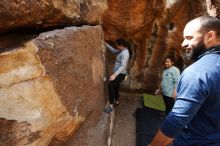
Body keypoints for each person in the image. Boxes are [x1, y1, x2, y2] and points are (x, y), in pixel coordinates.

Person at [148, 16, 220, 146]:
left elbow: (176, 121)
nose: (183, 44)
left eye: (189, 38)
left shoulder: (198, 72)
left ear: (210, 36)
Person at [104, 38, 130, 113]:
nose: (117, 47)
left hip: (121, 74)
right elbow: (114, 51)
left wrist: (115, 75)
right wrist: (105, 44)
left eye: (117, 46)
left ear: (121, 45)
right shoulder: (122, 50)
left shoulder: (125, 53)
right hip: (118, 73)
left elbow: (123, 66)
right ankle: (117, 100)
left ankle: (111, 106)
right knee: (116, 87)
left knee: (110, 86)